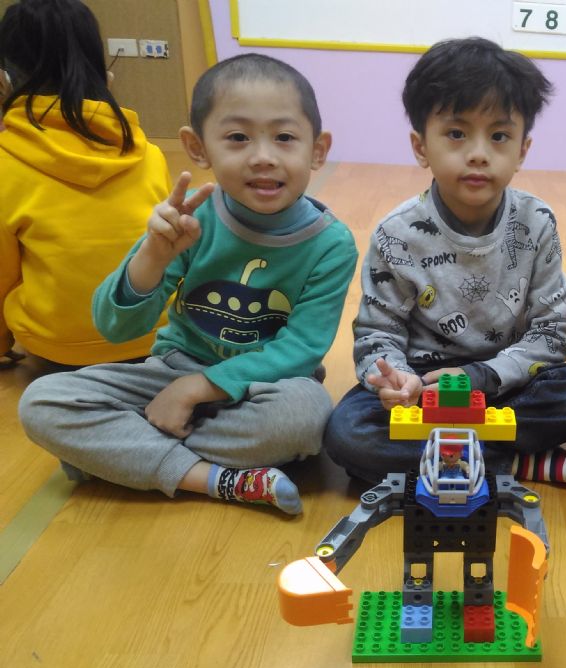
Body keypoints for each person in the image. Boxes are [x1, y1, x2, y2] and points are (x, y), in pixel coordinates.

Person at [18, 53, 358, 515]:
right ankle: (216, 479)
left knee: (306, 417)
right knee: (42, 401)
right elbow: (115, 328)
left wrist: (197, 389)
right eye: (237, 138)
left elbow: (300, 349)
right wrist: (153, 257)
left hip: (265, 386)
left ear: (317, 150)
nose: (263, 156)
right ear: (197, 148)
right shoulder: (190, 218)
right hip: (170, 371)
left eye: (284, 137)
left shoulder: (331, 243)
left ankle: (127, 453)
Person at [323, 37, 566, 486]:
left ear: (522, 150)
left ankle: (444, 458)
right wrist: (395, 381)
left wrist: (483, 376)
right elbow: (378, 334)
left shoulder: (536, 222)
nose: (478, 152)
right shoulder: (397, 234)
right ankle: (517, 463)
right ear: (421, 146)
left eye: (499, 136)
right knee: (348, 433)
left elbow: (552, 332)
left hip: (504, 381)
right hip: (423, 389)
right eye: (456, 133)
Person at [0, 0, 171, 368]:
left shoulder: (5, 164)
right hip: (158, 334)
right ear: (105, 76)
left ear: (5, 80)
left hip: (59, 349)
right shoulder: (150, 154)